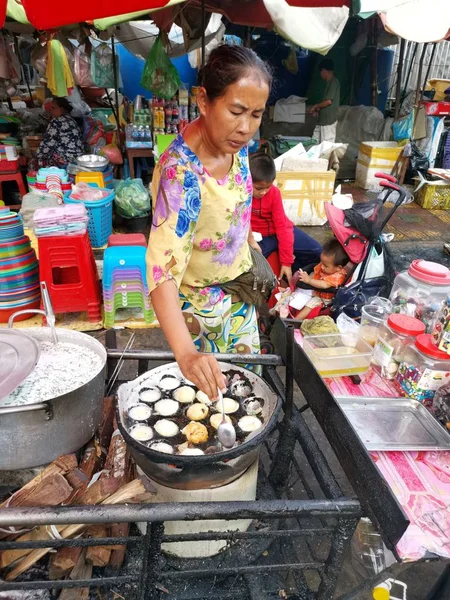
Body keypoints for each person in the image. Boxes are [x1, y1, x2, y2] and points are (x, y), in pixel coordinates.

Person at [146, 45, 272, 400]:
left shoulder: (235, 143)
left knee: (247, 396)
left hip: (239, 295)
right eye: (236, 111)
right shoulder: (181, 175)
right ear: (203, 101)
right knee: (206, 401)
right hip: (198, 311)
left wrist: (250, 244)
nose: (246, 127)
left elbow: (237, 201)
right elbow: (161, 271)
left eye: (257, 114)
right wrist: (186, 353)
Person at [249, 153, 322, 285]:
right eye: (259, 188)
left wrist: (286, 262)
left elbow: (282, 226)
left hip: (280, 230)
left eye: (268, 187)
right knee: (250, 265)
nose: (263, 192)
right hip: (259, 237)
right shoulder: (241, 193)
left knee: (317, 251)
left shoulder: (274, 193)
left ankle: (294, 274)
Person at [295, 238, 349, 320]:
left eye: (325, 265)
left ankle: (295, 320)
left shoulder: (338, 277)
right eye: (321, 262)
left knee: (310, 305)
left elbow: (323, 285)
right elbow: (316, 270)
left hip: (325, 299)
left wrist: (309, 280)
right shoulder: (329, 267)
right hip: (317, 291)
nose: (322, 267)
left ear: (338, 268)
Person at [29, 97, 84, 170]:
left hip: (66, 160)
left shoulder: (57, 122)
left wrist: (36, 157)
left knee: (33, 164)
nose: (50, 110)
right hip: (78, 158)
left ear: (61, 109)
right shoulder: (71, 120)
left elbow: (47, 144)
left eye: (53, 108)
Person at [309, 59, 340, 144]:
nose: (321, 74)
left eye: (321, 71)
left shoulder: (334, 82)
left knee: (326, 148)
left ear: (324, 71)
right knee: (314, 144)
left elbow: (328, 102)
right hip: (322, 122)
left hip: (328, 123)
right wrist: (318, 110)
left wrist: (316, 106)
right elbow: (326, 103)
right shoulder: (328, 83)